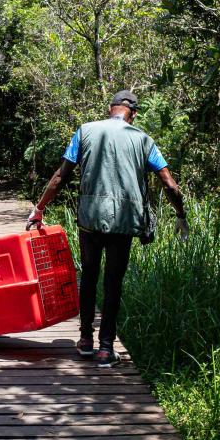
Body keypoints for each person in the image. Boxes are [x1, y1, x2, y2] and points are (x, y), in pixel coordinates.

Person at [27, 90, 188, 367]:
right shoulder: (143, 140)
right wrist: (181, 215)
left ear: (110, 109)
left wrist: (40, 208)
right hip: (123, 222)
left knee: (89, 276)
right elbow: (170, 184)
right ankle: (105, 348)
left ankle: (86, 340)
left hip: (90, 220)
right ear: (133, 114)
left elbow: (60, 176)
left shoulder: (85, 131)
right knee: (113, 281)